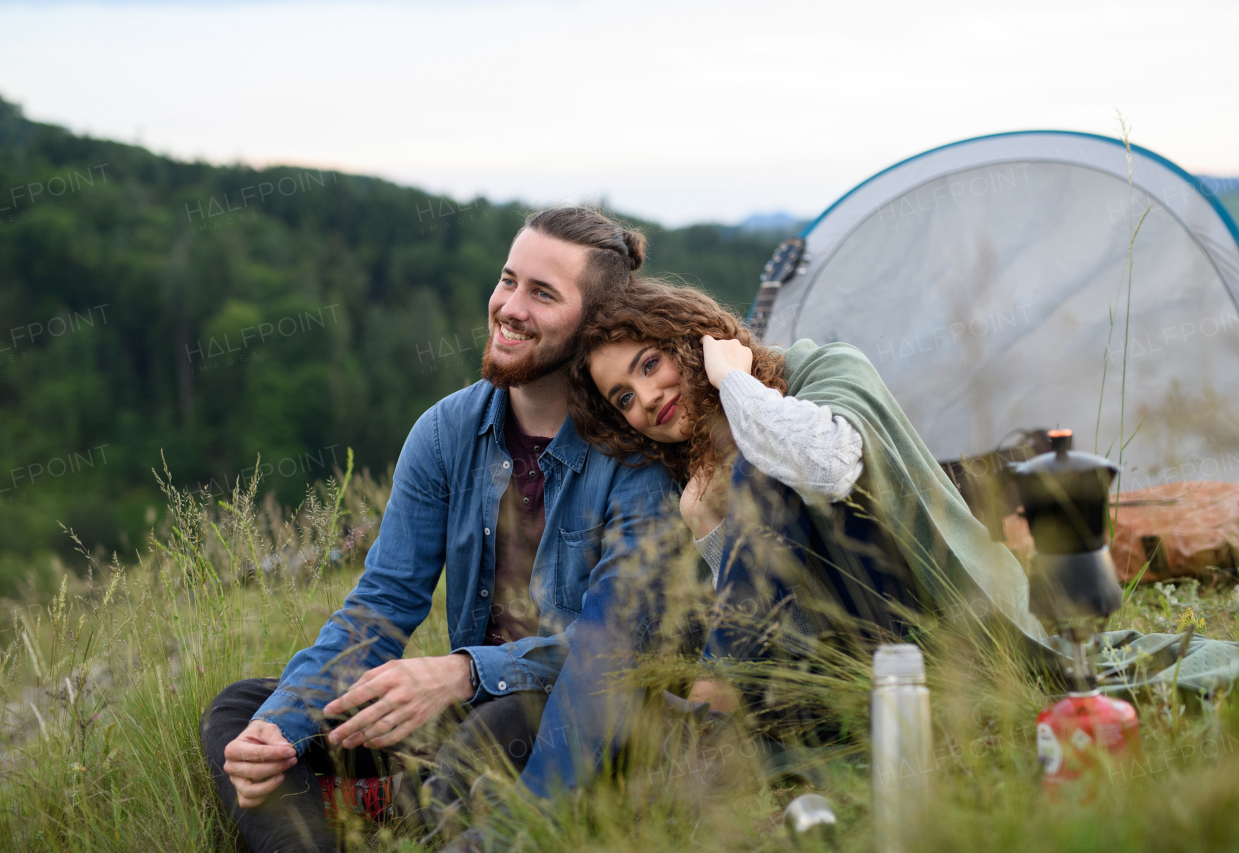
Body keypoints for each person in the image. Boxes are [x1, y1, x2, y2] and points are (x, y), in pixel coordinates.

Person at [200, 208, 678, 853]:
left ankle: (415, 809)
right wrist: (282, 728)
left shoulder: (634, 457)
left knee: (492, 731)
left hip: (582, 713)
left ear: (594, 325)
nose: (510, 307)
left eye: (542, 294)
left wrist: (464, 673)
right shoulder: (445, 432)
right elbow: (381, 606)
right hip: (468, 704)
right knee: (242, 713)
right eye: (508, 280)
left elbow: (618, 648)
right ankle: (359, 827)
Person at [567, 278, 1042, 717]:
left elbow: (826, 465)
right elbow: (795, 636)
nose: (647, 397)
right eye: (624, 399)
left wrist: (735, 382)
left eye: (650, 364)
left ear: (694, 340)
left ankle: (711, 707)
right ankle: (710, 719)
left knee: (762, 463)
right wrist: (707, 526)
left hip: (950, 631)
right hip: (855, 675)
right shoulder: (693, 482)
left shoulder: (828, 366)